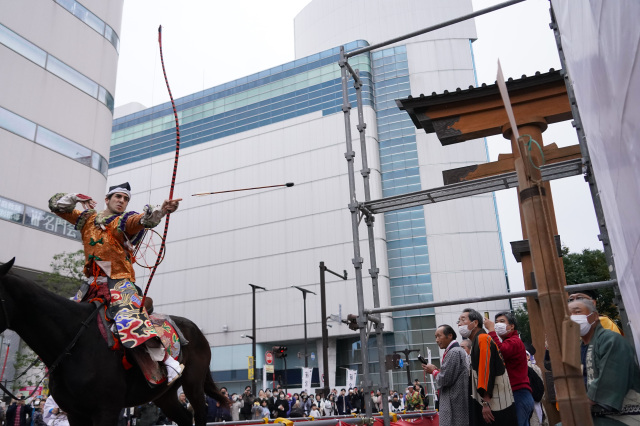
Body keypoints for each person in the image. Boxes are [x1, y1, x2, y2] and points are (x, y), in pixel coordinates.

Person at [48, 184, 183, 384]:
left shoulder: (125, 221)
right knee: (62, 319)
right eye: (118, 197)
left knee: (130, 321)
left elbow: (145, 220)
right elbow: (56, 206)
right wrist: (75, 196)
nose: (121, 201)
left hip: (119, 282)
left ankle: (168, 361)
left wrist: (162, 210)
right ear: (107, 199)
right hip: (91, 284)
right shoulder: (87, 219)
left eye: (125, 199)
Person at [569, 298, 640, 424]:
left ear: (595, 316)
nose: (572, 317)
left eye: (577, 312)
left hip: (623, 416)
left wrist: (579, 404)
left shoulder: (611, 340)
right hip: (592, 415)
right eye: (569, 314)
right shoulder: (577, 348)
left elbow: (609, 381)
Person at [458, 308, 517, 425]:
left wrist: (485, 402)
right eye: (458, 321)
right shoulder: (477, 340)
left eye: (463, 319)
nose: (459, 324)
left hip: (496, 404)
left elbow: (486, 370)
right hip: (494, 402)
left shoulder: (483, 338)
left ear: (475, 323)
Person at [484, 311, 533, 426]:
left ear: (511, 326)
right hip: (517, 394)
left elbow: (500, 352)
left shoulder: (514, 341)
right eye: (495, 323)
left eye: (502, 321)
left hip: (518, 393)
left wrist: (491, 331)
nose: (497, 325)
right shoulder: (510, 341)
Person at [422, 324, 469, 426]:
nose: (437, 340)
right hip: (457, 401)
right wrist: (437, 371)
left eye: (439, 336)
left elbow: (445, 379)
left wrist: (433, 371)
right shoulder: (456, 351)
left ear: (450, 335)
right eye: (435, 337)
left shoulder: (453, 352)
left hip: (454, 403)